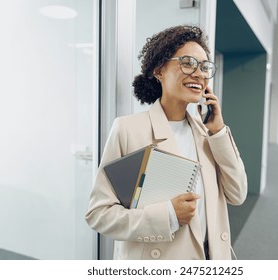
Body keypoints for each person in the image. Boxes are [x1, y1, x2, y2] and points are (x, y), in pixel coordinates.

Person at [85, 25, 247, 260]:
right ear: (159, 70)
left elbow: (238, 194)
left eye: (204, 67)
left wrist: (219, 131)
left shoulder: (208, 133)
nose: (200, 74)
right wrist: (168, 215)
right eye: (188, 63)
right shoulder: (128, 130)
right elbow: (99, 215)